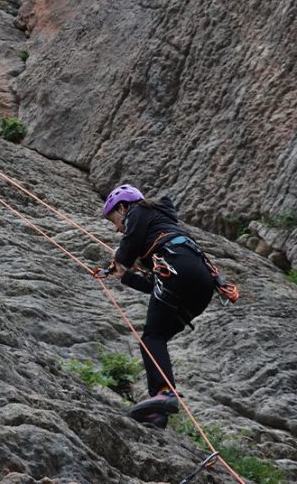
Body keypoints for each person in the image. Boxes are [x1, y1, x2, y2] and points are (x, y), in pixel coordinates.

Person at [100, 184, 216, 429]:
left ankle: (164, 394)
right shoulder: (160, 227)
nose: (117, 228)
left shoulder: (138, 213)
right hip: (201, 283)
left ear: (122, 208)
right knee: (156, 338)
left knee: (152, 338)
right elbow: (155, 288)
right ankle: (158, 413)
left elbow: (125, 252)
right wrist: (125, 277)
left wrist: (118, 264)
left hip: (177, 272)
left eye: (115, 221)